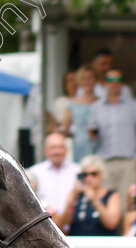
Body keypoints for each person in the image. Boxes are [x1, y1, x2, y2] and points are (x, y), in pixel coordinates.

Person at [87, 68, 136, 219]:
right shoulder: (96, 107)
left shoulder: (133, 106)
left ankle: (125, 237)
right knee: (106, 199)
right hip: (105, 161)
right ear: (105, 83)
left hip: (128, 161)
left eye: (118, 80)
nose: (114, 84)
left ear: (122, 84)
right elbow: (91, 132)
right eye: (110, 80)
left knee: (127, 201)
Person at [54, 155, 121, 235]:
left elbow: (111, 224)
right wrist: (72, 202)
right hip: (78, 243)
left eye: (94, 174)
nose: (89, 178)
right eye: (85, 174)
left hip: (103, 244)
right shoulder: (76, 195)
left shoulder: (112, 195)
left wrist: (95, 201)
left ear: (102, 175)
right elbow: (62, 225)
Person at [26, 132, 81, 214]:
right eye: (53, 148)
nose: (57, 152)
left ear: (66, 149)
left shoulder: (77, 171)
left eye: (60, 147)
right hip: (45, 223)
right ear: (45, 150)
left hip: (73, 223)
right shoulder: (34, 172)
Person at [63, 65, 98, 163]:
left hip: (99, 146)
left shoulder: (102, 103)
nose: (87, 81)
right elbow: (65, 129)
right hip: (80, 146)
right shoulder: (72, 104)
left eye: (90, 78)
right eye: (84, 79)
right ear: (79, 81)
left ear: (95, 80)